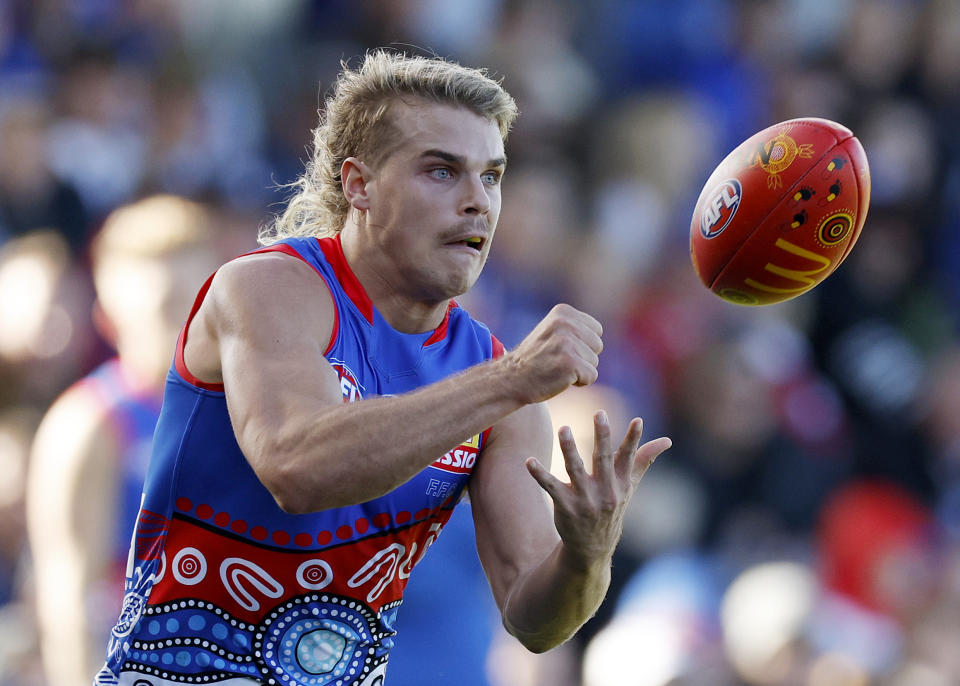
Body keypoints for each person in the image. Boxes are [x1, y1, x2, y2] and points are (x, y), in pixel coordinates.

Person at [96, 50, 672, 686]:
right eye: (441, 171)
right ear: (358, 184)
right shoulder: (269, 289)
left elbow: (533, 620)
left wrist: (588, 553)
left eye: (492, 176)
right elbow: (297, 467)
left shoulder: (496, 372)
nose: (478, 202)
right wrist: (507, 385)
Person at [26, 195, 222, 686]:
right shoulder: (89, 423)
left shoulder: (242, 411)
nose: (179, 328)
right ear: (110, 312)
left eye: (189, 306)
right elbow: (66, 602)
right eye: (163, 309)